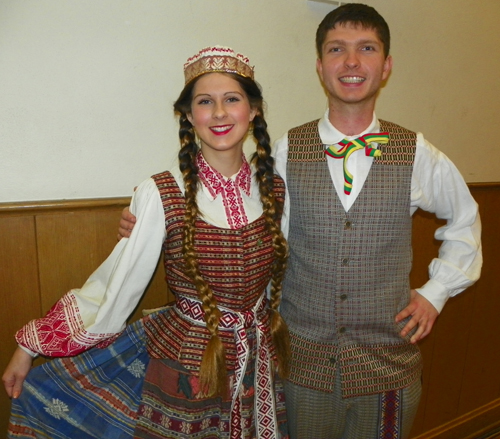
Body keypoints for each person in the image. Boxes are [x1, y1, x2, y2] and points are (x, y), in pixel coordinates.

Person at [118, 5, 483, 439]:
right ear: (319, 66)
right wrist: (152, 215)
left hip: (388, 366)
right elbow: (233, 201)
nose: (351, 62)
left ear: (385, 66)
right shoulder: (288, 149)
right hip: (300, 368)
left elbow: (466, 220)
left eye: (366, 48)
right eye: (336, 49)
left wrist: (435, 293)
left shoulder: (417, 152)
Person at [2, 46, 291, 439]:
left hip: (259, 357)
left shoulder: (273, 186)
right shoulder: (161, 192)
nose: (219, 113)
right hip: (187, 367)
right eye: (205, 102)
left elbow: (279, 278)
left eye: (232, 99)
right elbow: (115, 287)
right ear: (188, 116)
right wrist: (30, 346)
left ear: (254, 110)